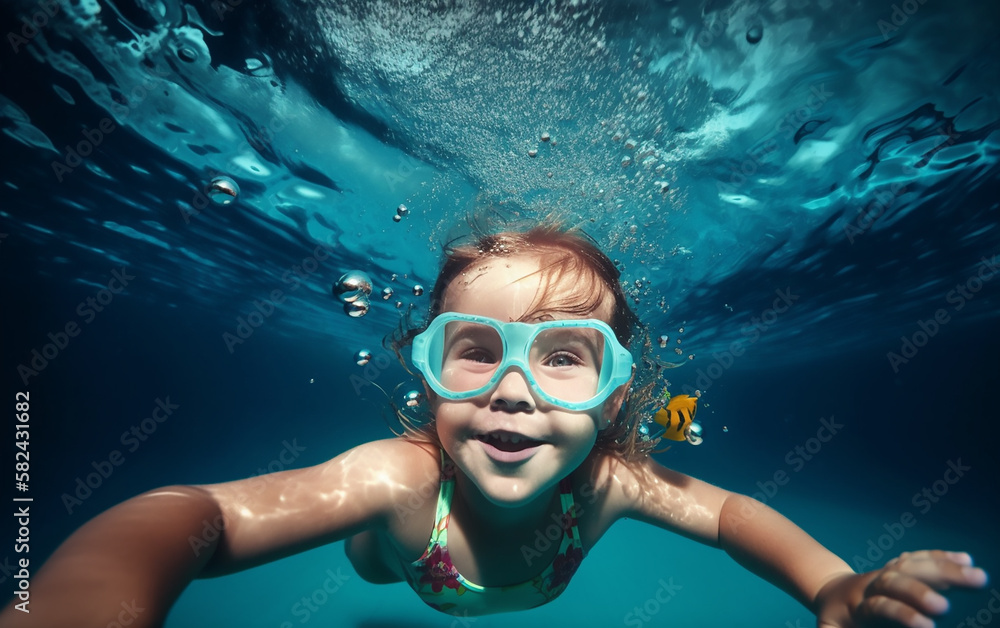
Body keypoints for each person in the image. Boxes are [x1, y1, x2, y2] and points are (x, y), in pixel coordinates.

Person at [1, 224, 987, 627]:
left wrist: (832, 584)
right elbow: (195, 514)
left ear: (611, 396)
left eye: (563, 357)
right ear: (425, 370)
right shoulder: (397, 475)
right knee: (365, 543)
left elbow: (731, 517)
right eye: (477, 348)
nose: (515, 389)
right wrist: (87, 605)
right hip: (389, 553)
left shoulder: (608, 479)